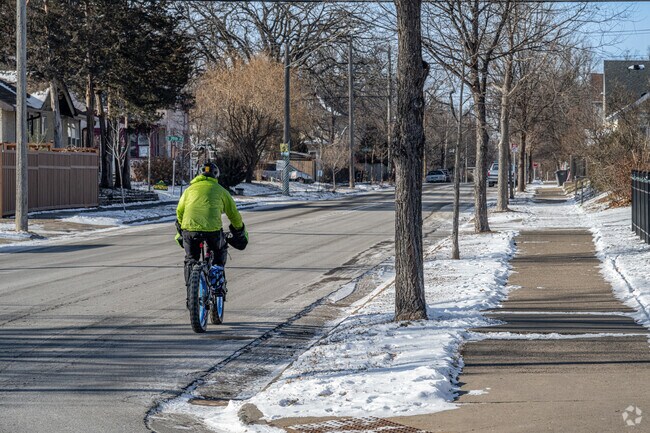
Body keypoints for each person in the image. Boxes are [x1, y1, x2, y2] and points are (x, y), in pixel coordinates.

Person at [175, 161, 248, 293]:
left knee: (191, 259)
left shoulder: (188, 190)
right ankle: (217, 281)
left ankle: (191, 289)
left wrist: (181, 230)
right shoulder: (221, 191)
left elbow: (179, 212)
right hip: (212, 231)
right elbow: (234, 215)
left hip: (189, 231)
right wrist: (239, 230)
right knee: (219, 251)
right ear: (216, 176)